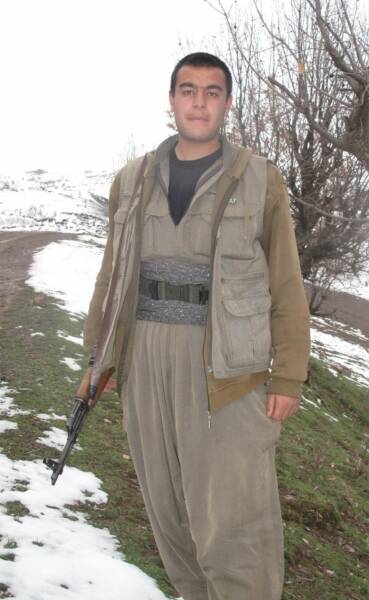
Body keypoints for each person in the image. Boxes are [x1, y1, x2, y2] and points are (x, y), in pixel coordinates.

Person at [83, 52, 310, 600]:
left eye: (212, 92)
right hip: (145, 358)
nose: (199, 102)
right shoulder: (132, 179)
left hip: (226, 368)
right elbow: (113, 276)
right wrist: (98, 359)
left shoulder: (260, 179)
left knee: (234, 518)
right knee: (169, 512)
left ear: (227, 103)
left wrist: (289, 374)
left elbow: (285, 281)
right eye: (188, 90)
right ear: (172, 101)